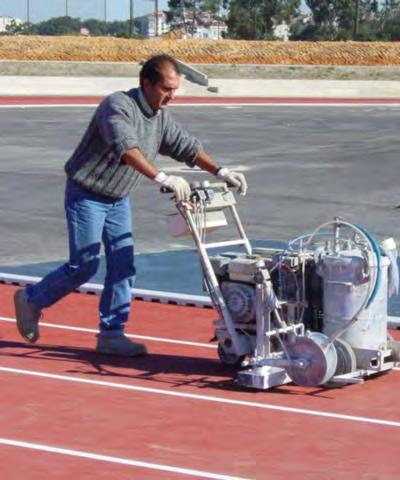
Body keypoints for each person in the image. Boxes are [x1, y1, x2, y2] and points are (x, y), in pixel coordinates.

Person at [13, 54, 247, 357]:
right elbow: (126, 148)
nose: (171, 96)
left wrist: (221, 171)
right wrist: (162, 177)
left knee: (123, 265)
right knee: (84, 264)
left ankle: (111, 334)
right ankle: (31, 299)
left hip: (117, 198)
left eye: (175, 89)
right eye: (166, 88)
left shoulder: (159, 115)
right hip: (87, 193)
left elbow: (185, 145)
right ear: (146, 83)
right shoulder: (117, 106)